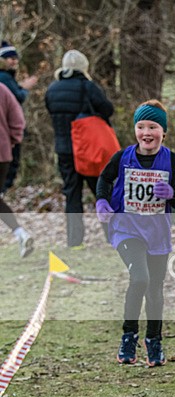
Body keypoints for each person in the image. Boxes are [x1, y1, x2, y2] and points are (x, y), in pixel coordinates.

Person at [96, 100, 175, 367]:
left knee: (155, 289)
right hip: (126, 229)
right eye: (141, 126)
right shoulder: (123, 157)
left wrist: (172, 194)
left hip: (158, 234)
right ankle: (128, 335)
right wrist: (102, 202)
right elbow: (104, 179)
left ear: (164, 131)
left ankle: (154, 341)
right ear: (135, 129)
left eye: (153, 126)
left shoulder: (172, 160)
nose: (146, 132)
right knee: (139, 279)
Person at [45, 49, 115, 249]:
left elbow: (51, 111)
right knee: (101, 192)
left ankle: (75, 242)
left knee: (72, 194)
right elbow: (107, 109)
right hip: (88, 148)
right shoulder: (87, 87)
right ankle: (112, 236)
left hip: (64, 149)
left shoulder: (52, 89)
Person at [0, 41, 37, 194]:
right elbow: (16, 99)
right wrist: (25, 89)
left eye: (15, 58)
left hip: (8, 137)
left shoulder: (7, 78)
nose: (14, 60)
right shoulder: (4, 78)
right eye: (10, 58)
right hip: (6, 139)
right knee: (9, 171)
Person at [0, 83, 32, 257]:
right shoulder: (3, 89)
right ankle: (20, 233)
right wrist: (13, 140)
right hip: (3, 154)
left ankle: (20, 233)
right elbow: (18, 118)